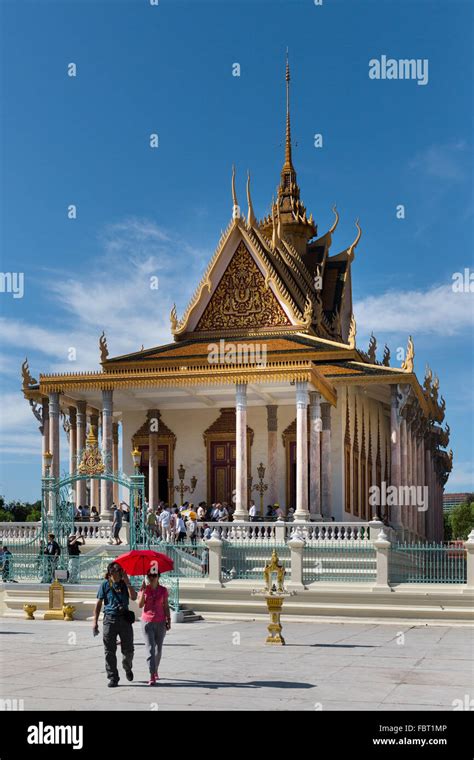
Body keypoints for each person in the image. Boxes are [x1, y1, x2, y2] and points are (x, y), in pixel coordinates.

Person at [93, 562, 137, 687]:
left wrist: (128, 582)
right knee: (109, 651)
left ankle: (127, 667)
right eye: (118, 571)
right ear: (111, 573)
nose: (120, 573)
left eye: (120, 571)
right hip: (109, 620)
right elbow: (98, 604)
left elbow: (133, 597)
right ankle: (113, 677)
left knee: (128, 650)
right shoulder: (105, 585)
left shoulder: (124, 584)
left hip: (124, 620)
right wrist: (94, 622)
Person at [137, 571, 171, 685]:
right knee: (150, 648)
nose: (151, 578)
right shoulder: (144, 589)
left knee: (158, 649)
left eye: (154, 575)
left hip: (160, 621)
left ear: (158, 577)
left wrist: (168, 619)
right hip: (147, 622)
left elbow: (166, 605)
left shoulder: (163, 590)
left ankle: (155, 669)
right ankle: (151, 674)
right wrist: (142, 592)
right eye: (149, 576)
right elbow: (140, 605)